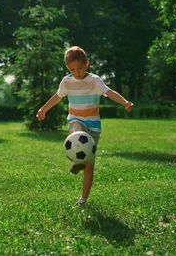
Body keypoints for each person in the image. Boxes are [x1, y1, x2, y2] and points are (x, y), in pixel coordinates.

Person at [36, 46, 134, 206]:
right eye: (73, 69)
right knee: (77, 131)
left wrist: (125, 102)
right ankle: (77, 160)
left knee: (89, 166)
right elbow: (57, 97)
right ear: (68, 68)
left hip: (94, 128)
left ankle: (83, 199)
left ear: (87, 65)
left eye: (80, 68)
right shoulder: (67, 81)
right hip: (76, 120)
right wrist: (43, 109)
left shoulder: (95, 81)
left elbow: (109, 92)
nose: (78, 72)